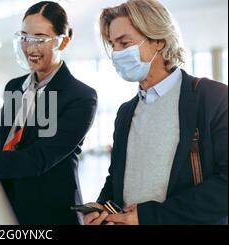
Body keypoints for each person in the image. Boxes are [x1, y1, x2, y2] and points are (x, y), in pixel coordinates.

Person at [81, 0, 227, 225]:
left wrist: (148, 217)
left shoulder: (211, 98)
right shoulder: (126, 113)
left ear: (158, 40)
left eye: (124, 43)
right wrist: (102, 206)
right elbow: (116, 180)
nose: (116, 54)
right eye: (112, 45)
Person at [0, 1, 97, 225]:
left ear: (63, 41)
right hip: (3, 209)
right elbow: (2, 145)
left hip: (50, 216)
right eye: (25, 37)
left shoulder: (80, 96)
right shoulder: (14, 87)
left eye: (40, 38)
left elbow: (37, 159)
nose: (30, 48)